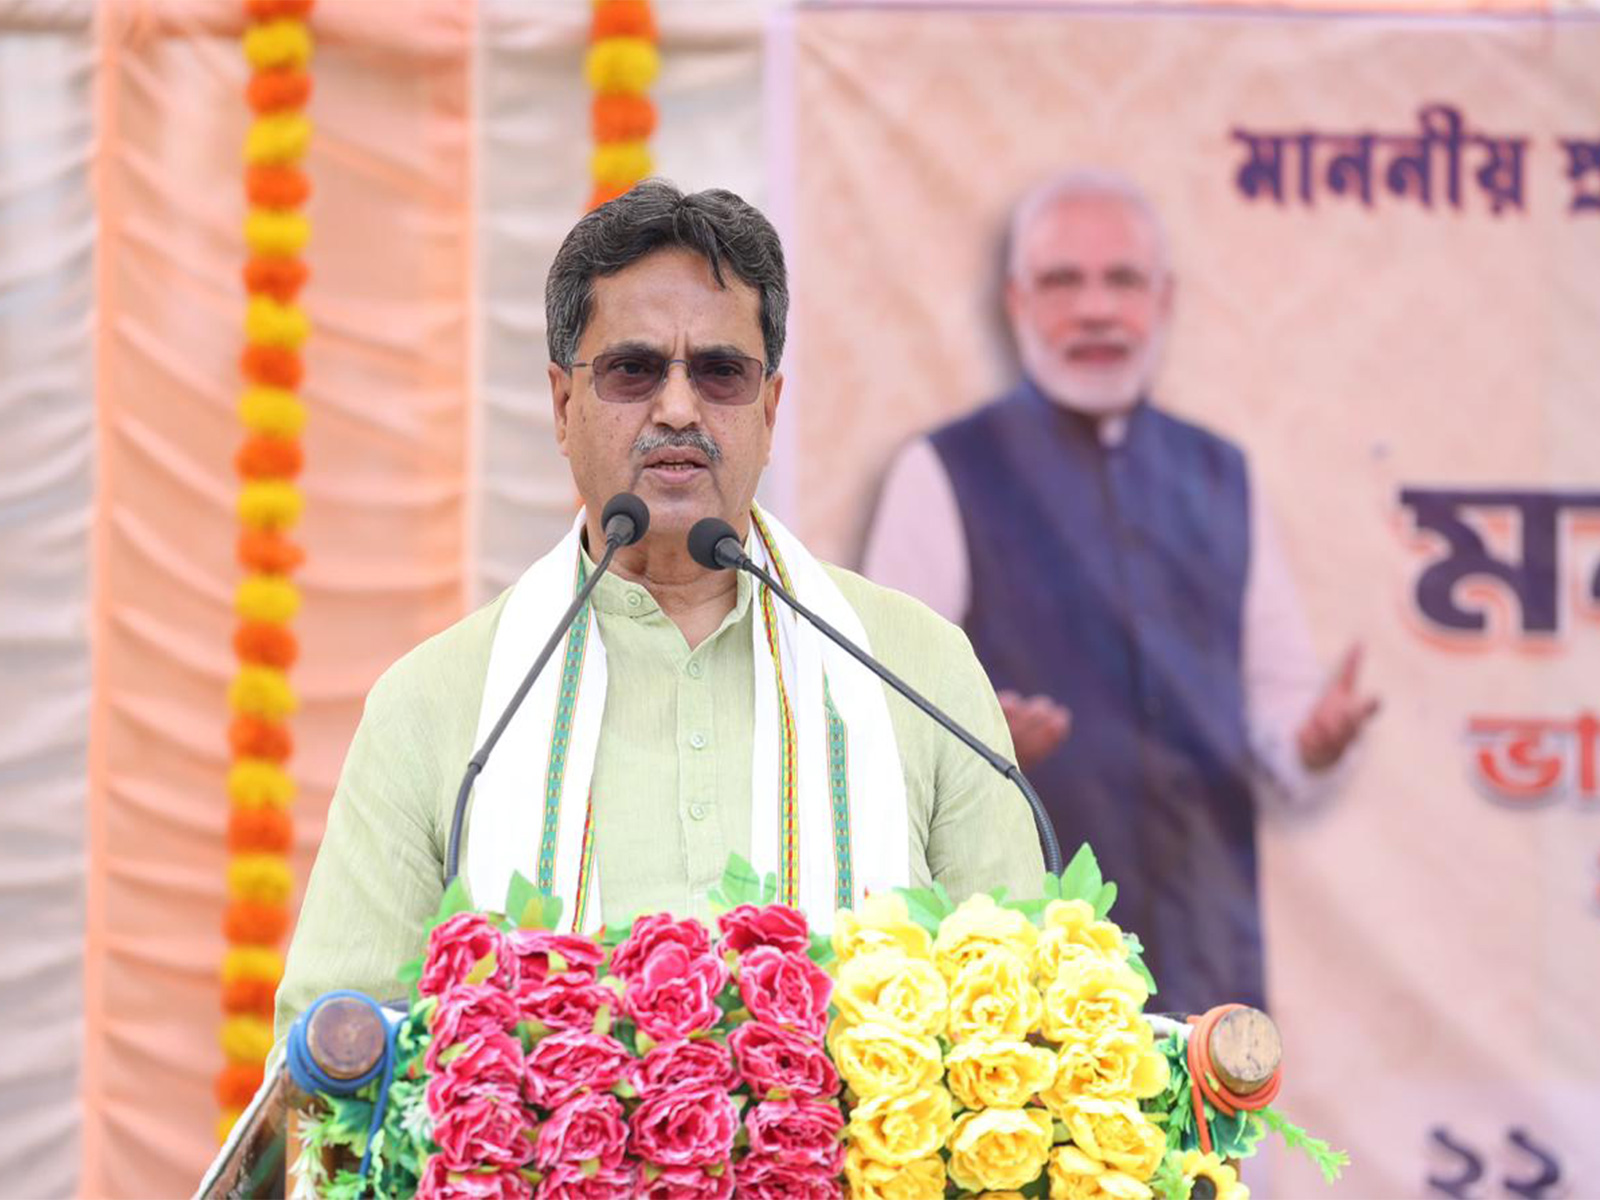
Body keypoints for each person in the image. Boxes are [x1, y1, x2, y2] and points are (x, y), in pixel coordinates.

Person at [274, 181, 1043, 1038]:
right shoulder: (440, 702)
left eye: (719, 373)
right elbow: (333, 1056)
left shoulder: (915, 666)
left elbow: (1028, 1019)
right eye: (634, 370)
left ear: (769, 408)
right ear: (565, 407)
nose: (678, 409)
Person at [862, 169, 1378, 1014]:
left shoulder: (1223, 475)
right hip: (1014, 964)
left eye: (1122, 280)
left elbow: (1279, 709)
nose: (1096, 309)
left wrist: (1316, 741)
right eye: (1063, 281)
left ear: (1164, 300)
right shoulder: (946, 470)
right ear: (1016, 302)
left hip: (1208, 950)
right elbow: (882, 713)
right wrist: (980, 751)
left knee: (1217, 1144)